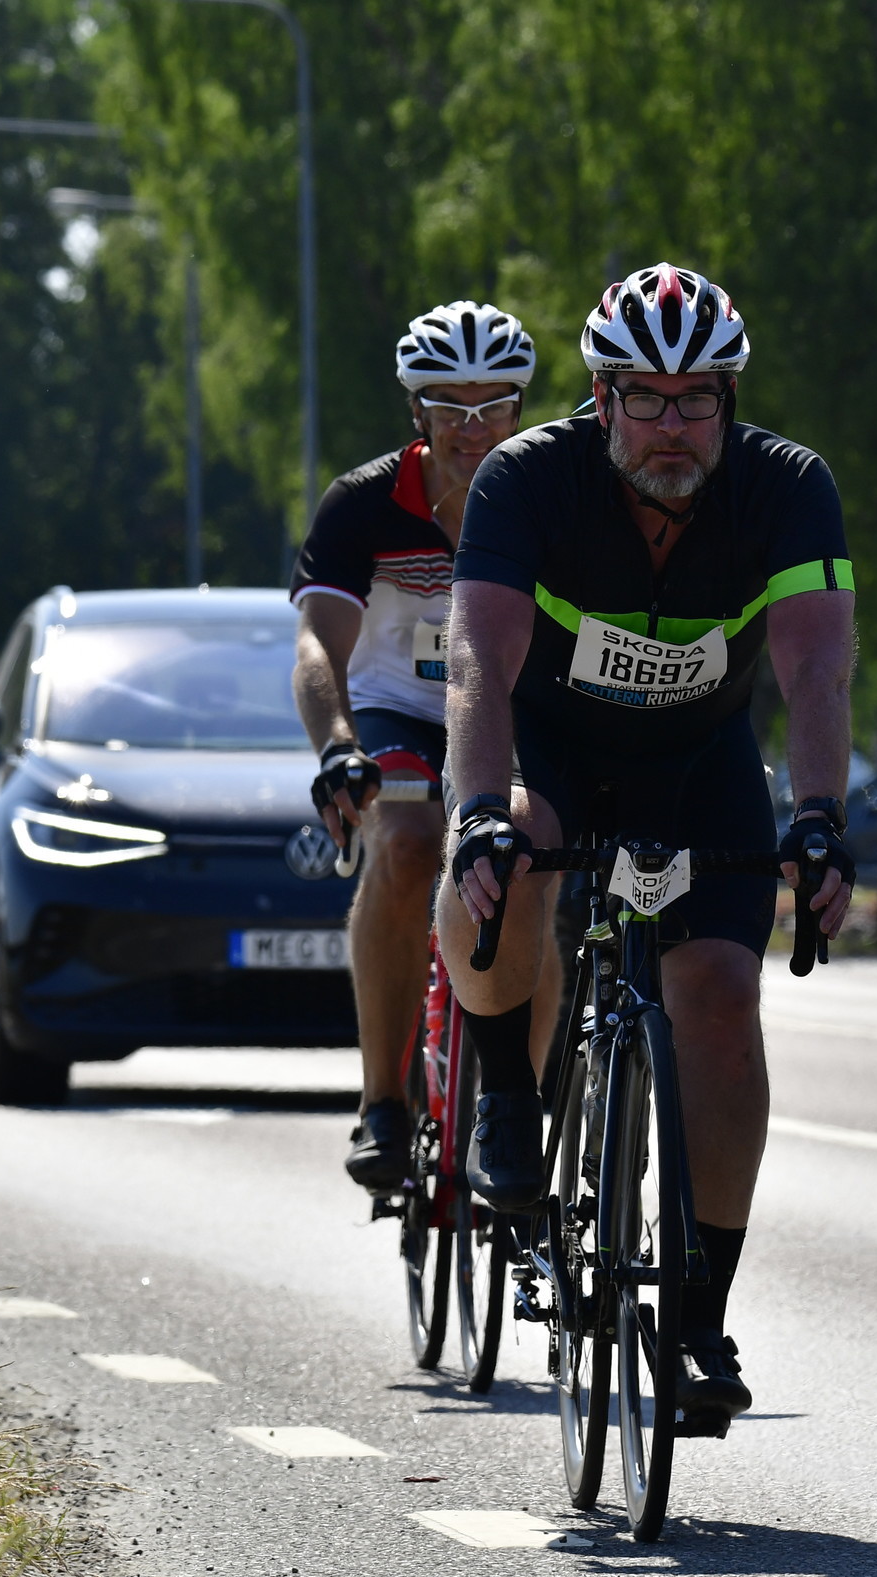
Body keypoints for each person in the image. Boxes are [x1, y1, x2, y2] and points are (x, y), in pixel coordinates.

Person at [436, 263, 857, 1430]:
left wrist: (818, 816)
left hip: (697, 761)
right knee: (509, 850)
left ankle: (698, 1320)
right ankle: (505, 1088)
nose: (671, 424)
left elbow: (815, 666)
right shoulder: (526, 478)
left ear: (728, 400)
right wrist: (476, 808)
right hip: (553, 748)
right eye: (645, 397)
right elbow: (478, 662)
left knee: (719, 994)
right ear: (600, 397)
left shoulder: (788, 487)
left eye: (696, 398)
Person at [291, 300, 541, 1192]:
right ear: (416, 411)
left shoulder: (551, 495)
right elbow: (319, 645)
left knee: (537, 862)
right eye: (450, 409)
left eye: (492, 407)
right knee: (402, 847)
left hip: (508, 710)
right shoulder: (364, 504)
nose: (473, 429)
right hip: (400, 709)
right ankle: (382, 1103)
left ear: (519, 407)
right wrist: (337, 748)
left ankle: (521, 1108)